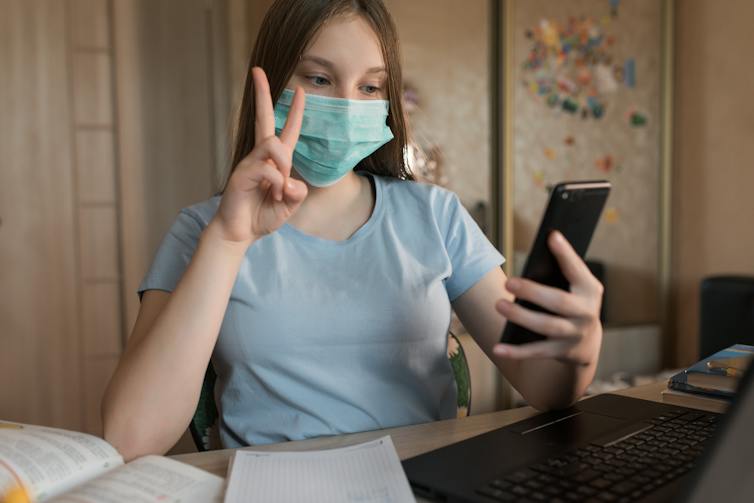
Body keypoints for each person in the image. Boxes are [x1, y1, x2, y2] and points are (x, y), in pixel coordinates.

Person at [102, 0, 604, 462]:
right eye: (319, 79)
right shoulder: (200, 232)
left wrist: (578, 351)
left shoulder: (437, 216)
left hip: (421, 484)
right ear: (273, 80)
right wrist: (229, 240)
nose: (346, 104)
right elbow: (129, 436)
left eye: (369, 87)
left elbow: (544, 386)